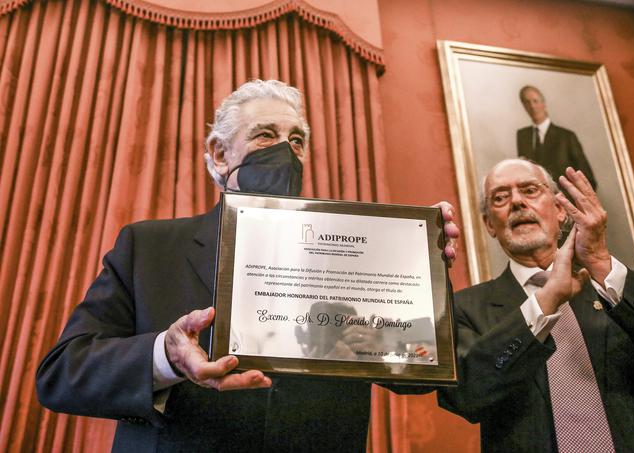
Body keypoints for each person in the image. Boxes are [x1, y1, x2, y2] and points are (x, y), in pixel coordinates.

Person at [35, 79, 460, 452]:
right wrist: (166, 355)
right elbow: (63, 373)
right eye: (264, 136)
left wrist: (420, 277)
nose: (285, 152)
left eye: (296, 141)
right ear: (220, 155)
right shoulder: (147, 246)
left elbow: (415, 373)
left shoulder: (355, 251)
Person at [438, 158, 634, 452]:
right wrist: (545, 302)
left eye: (529, 190)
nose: (516, 202)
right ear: (490, 223)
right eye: (500, 197)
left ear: (561, 210)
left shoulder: (618, 286)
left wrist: (601, 264)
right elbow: (466, 396)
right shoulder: (466, 308)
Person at [517, 85, 597, 191]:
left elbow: (588, 179)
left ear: (544, 104)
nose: (532, 106)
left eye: (535, 101)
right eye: (527, 102)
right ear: (524, 106)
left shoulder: (566, 137)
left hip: (564, 202)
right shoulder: (522, 136)